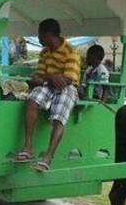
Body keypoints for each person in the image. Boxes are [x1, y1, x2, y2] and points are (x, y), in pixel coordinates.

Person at [15, 18, 81, 172]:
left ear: (48, 34)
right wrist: (51, 78)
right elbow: (37, 78)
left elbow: (67, 79)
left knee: (59, 116)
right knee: (32, 100)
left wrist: (51, 78)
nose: (38, 39)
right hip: (49, 84)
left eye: (40, 35)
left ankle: (48, 157)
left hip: (68, 87)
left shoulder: (71, 51)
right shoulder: (45, 52)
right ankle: (28, 147)